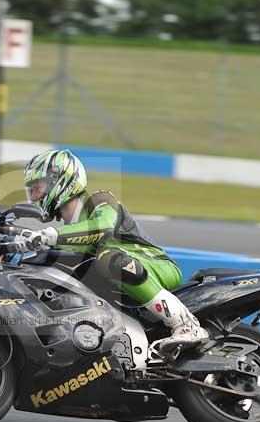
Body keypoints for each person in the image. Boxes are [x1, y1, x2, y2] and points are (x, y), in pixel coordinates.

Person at [18, 149, 209, 351]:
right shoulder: (63, 236)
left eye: (37, 187)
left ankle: (186, 325)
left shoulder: (99, 200)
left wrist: (49, 236)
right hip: (121, 286)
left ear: (60, 181)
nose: (34, 196)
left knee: (110, 259)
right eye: (31, 190)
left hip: (157, 266)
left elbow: (102, 227)